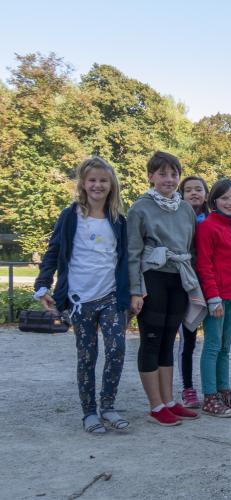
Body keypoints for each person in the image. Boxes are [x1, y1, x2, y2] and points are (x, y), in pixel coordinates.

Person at [34, 157, 131, 433]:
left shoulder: (119, 221)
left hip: (111, 297)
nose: (98, 184)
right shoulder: (70, 217)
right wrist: (42, 285)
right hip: (79, 300)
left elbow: (126, 259)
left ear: (111, 184)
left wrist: (134, 292)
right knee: (87, 356)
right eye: (92, 180)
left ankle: (108, 406)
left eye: (103, 180)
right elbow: (53, 252)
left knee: (117, 349)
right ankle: (89, 412)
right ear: (83, 184)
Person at [128, 151, 201, 426]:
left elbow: (191, 247)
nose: (169, 179)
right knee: (151, 340)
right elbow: (133, 252)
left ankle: (169, 400)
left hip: (178, 278)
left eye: (174, 174)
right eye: (162, 173)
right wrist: (136, 291)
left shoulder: (185, 209)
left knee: (170, 339)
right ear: (150, 176)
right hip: (153, 277)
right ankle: (155, 404)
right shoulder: (140, 208)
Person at [196, 178, 231, 416]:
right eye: (225, 198)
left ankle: (224, 391)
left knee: (225, 347)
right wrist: (213, 298)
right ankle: (210, 397)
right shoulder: (208, 226)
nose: (230, 202)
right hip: (217, 298)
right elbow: (204, 265)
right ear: (214, 201)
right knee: (212, 346)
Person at [176, 175, 210, 409]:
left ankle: (214, 386)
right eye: (189, 190)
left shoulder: (211, 219)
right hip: (184, 283)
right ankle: (187, 387)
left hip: (209, 283)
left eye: (199, 189)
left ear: (206, 194)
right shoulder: (176, 217)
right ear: (181, 194)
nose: (194, 193)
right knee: (187, 338)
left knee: (213, 340)